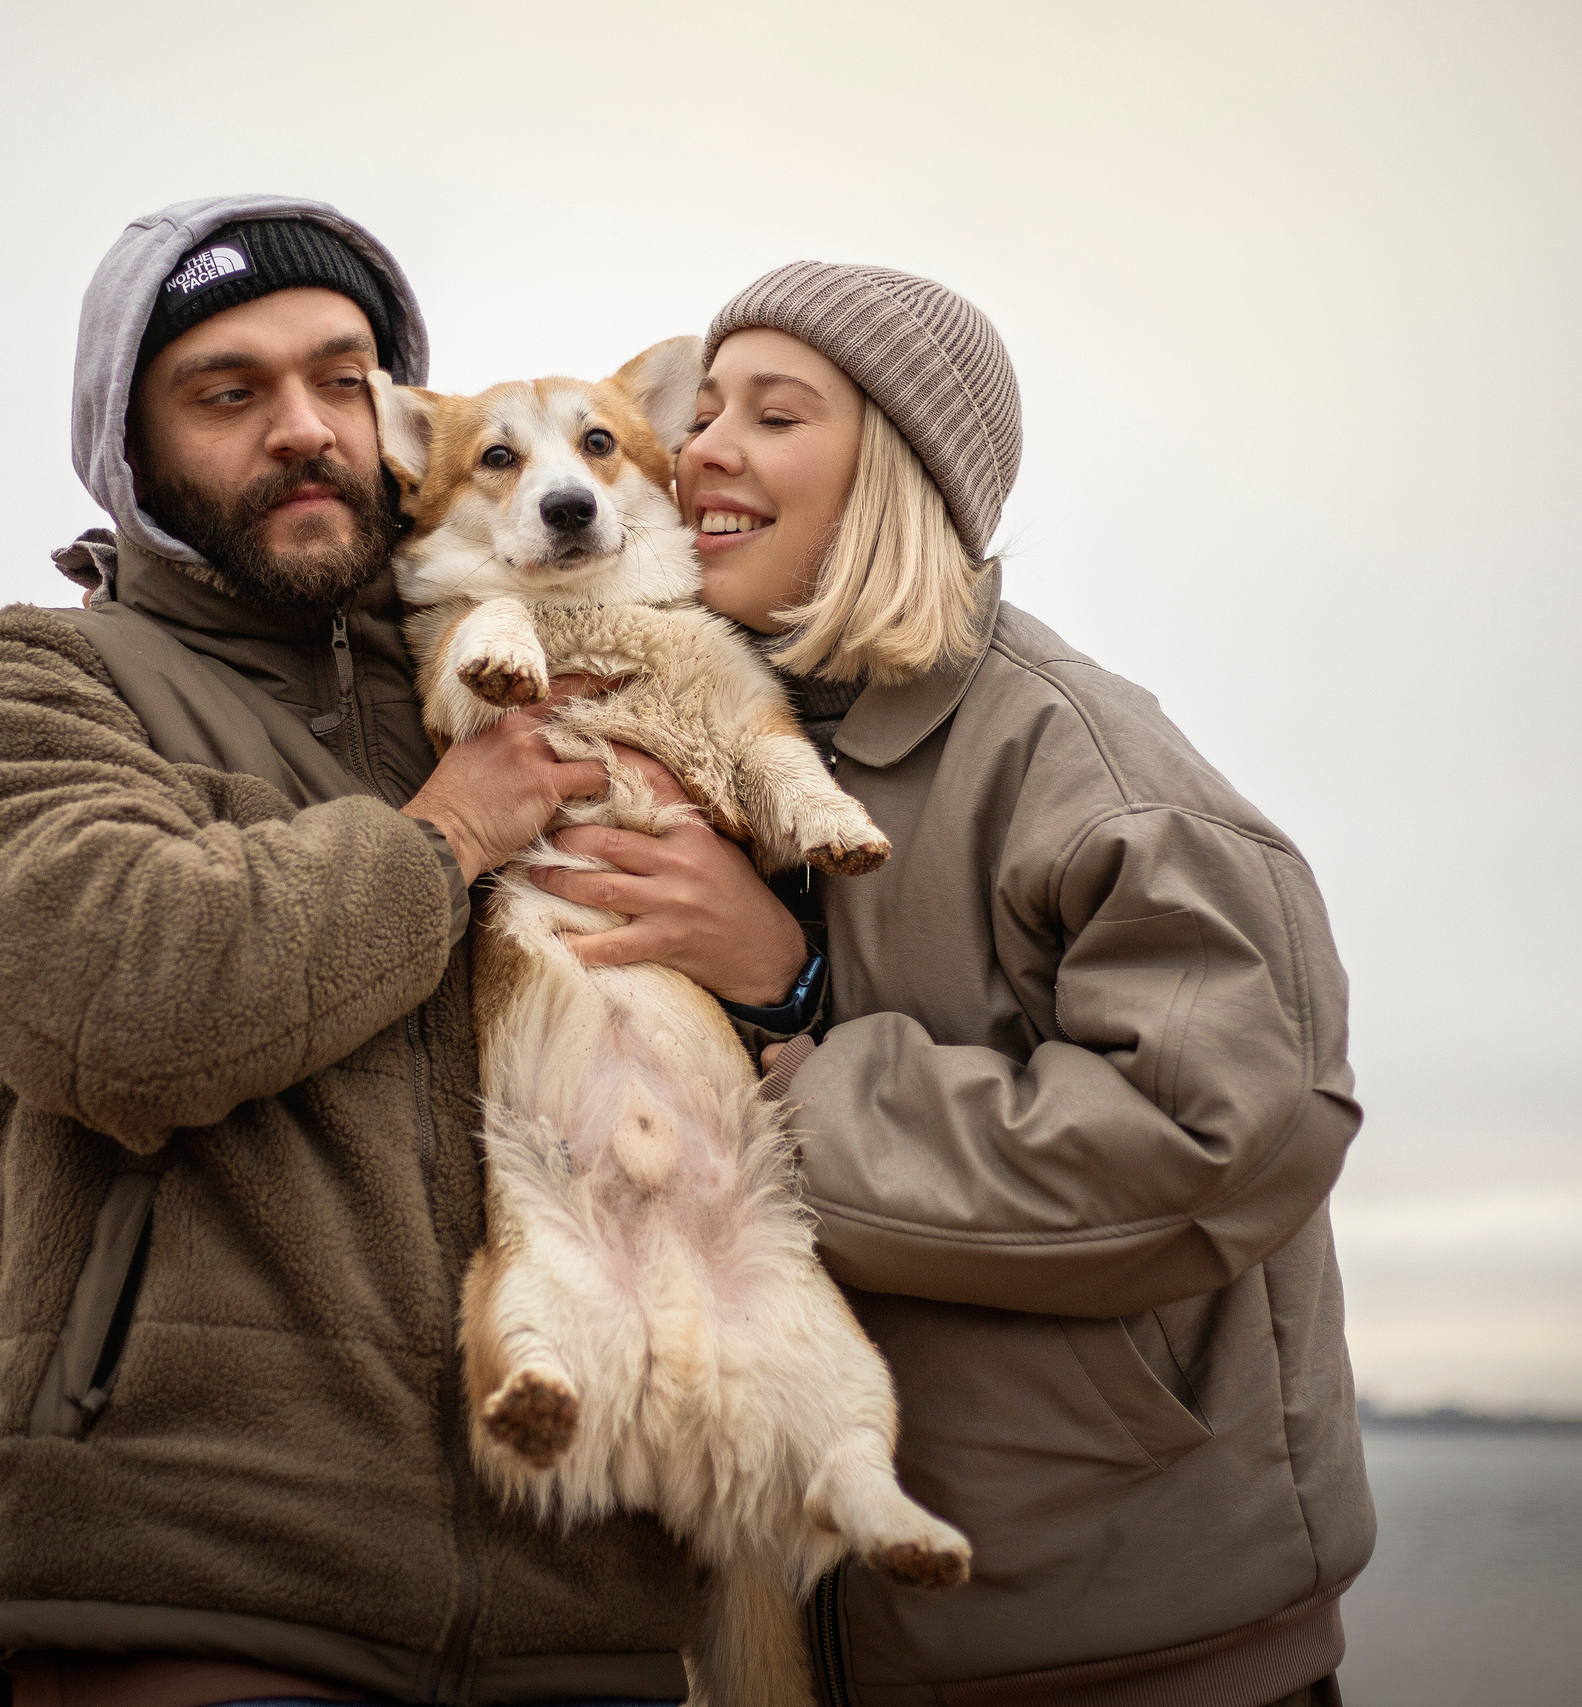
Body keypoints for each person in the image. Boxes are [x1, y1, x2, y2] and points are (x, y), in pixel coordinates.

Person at [0, 195, 701, 1707]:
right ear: (131, 449)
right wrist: (445, 837)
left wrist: (778, 964)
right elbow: (119, 1008)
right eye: (228, 392)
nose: (306, 428)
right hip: (210, 1594)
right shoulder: (29, 686)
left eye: (344, 379)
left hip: (599, 1601)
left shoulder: (524, 680)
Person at [525, 263, 1373, 1707]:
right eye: (707, 407)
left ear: (901, 476)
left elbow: (1229, 1139)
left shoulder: (1087, 770)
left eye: (774, 414)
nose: (702, 445)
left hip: (1121, 1643)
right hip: (816, 1632)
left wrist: (792, 1004)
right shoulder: (718, 736)